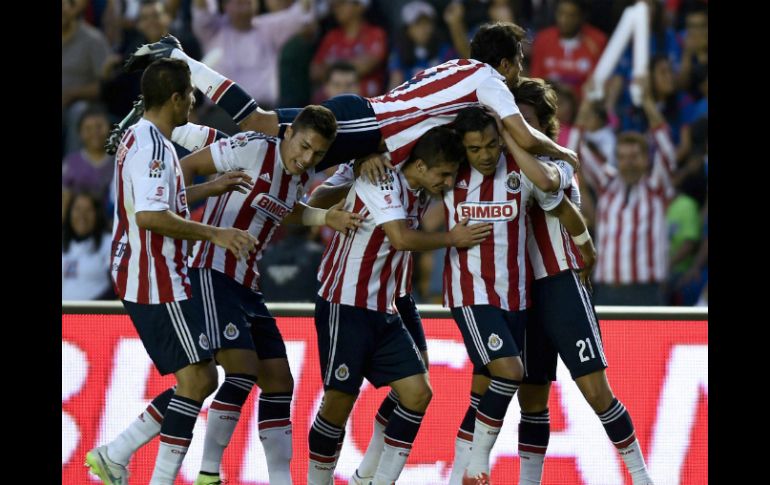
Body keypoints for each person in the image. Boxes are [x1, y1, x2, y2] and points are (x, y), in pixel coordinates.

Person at [84, 58, 258, 485]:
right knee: (198, 380)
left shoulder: (139, 136)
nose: (194, 104)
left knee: (200, 377)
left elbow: (159, 199)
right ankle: (138, 468)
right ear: (177, 98)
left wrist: (209, 188)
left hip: (146, 270)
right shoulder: (155, 148)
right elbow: (150, 216)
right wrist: (215, 233)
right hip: (155, 276)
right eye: (191, 96)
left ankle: (115, 454)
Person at [123, 21, 578, 174]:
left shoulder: (457, 68)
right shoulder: (489, 80)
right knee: (258, 123)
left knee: (262, 155)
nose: (520, 73)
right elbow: (525, 136)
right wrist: (564, 154)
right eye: (519, 62)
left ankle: (164, 125)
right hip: (366, 122)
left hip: (368, 126)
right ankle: (179, 57)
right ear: (505, 63)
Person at [307, 126, 492, 485]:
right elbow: (401, 238)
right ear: (420, 166)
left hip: (389, 304)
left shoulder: (418, 185)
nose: (448, 182)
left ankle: (371, 479)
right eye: (444, 174)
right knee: (337, 405)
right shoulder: (381, 178)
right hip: (346, 304)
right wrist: (452, 238)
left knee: (417, 393)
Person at [508, 78, 655, 485]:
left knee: (596, 392)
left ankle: (641, 477)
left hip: (561, 284)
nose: (516, 125)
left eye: (525, 119)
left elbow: (543, 182)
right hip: (522, 291)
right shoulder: (498, 167)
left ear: (544, 126)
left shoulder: (559, 163)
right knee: (532, 398)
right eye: (511, 117)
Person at [438, 106, 575, 485]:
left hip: (516, 300)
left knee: (483, 393)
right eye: (474, 148)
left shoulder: (520, 171)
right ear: (462, 147)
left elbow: (557, 186)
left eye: (490, 145)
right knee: (512, 373)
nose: (484, 155)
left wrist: (583, 242)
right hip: (471, 295)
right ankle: (477, 467)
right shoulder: (450, 171)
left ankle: (458, 476)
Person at [62, 192, 114, 300]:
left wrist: (93, 305)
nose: (82, 215)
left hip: (96, 310)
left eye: (88, 210)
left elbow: (117, 287)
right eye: (77, 209)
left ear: (97, 214)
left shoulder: (109, 243)